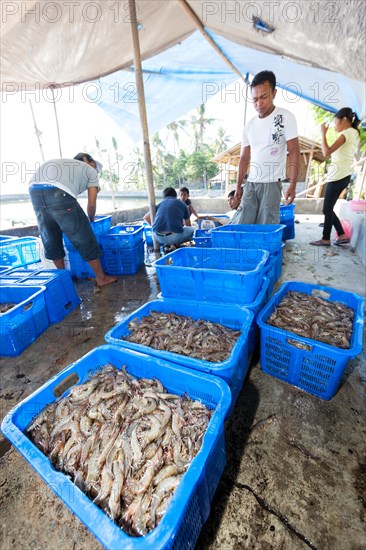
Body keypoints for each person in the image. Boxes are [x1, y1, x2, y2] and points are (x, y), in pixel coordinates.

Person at [28, 153, 117, 286]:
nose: (95, 171)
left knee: (51, 236)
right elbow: (91, 205)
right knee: (84, 236)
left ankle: (65, 278)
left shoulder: (67, 165)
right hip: (59, 193)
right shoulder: (90, 170)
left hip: (33, 190)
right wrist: (90, 219)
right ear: (89, 162)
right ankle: (101, 278)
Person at [235, 70, 300, 224]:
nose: (259, 103)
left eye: (264, 97)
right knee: (243, 224)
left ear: (274, 93)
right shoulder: (249, 126)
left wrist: (292, 184)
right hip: (251, 183)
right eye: (255, 99)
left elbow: (294, 152)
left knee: (266, 226)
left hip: (272, 184)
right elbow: (244, 158)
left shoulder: (286, 117)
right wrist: (238, 186)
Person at [310, 108, 360, 246]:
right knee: (328, 208)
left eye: (335, 121)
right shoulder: (354, 133)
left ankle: (326, 238)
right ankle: (342, 235)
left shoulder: (347, 133)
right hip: (343, 175)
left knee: (327, 209)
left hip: (338, 176)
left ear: (344, 120)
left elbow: (326, 152)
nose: (334, 125)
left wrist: (323, 134)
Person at [144, 187, 194, 253]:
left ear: (164, 196)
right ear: (176, 195)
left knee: (170, 232)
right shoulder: (182, 204)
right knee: (193, 231)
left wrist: (156, 227)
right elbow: (188, 225)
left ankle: (168, 245)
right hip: (174, 237)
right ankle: (175, 244)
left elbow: (146, 218)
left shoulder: (160, 204)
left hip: (157, 236)